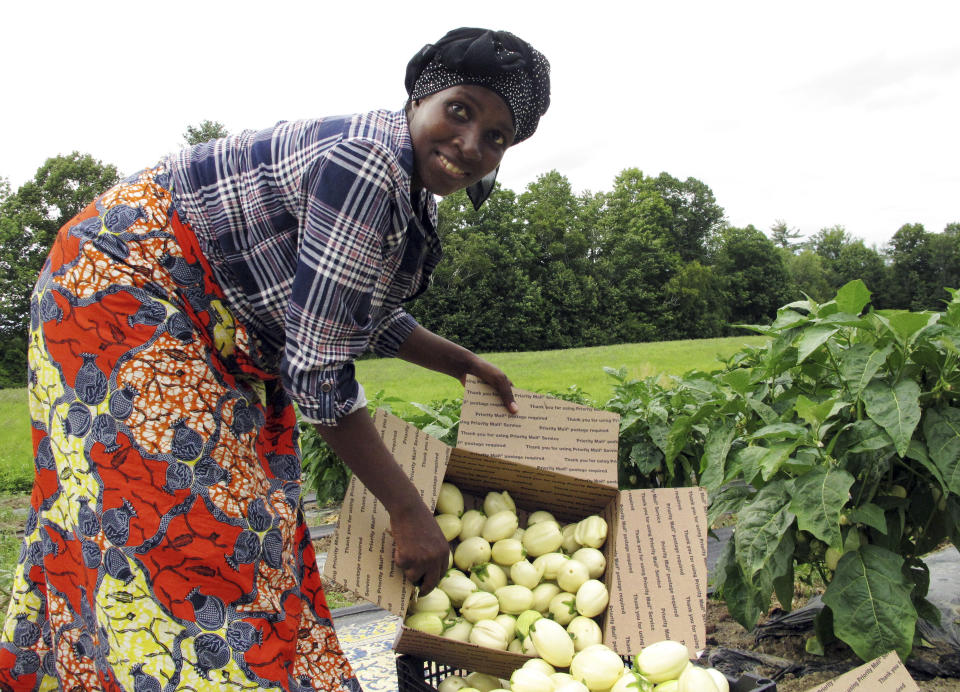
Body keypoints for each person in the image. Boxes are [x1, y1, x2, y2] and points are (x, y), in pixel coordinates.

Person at [0, 27, 550, 691]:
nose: (470, 145)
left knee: (242, 523)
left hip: (198, 316)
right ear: (421, 98)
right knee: (191, 529)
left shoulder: (401, 183)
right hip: (123, 291)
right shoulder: (369, 165)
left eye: (497, 136)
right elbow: (317, 370)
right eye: (460, 111)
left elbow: (356, 307)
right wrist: (409, 513)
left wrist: (464, 363)